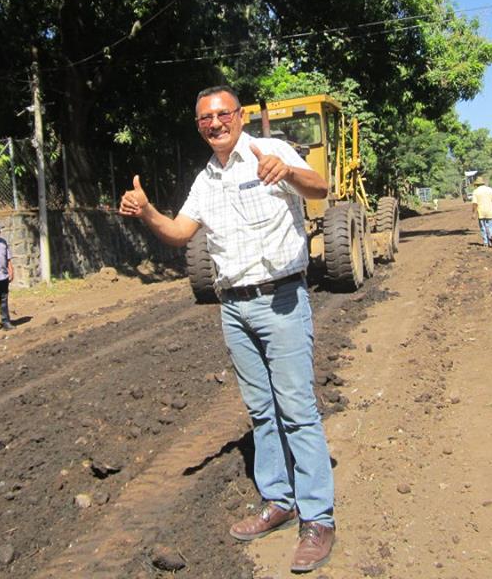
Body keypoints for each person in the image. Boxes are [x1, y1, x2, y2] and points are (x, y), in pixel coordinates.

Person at [119, 85, 336, 573]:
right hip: (233, 307)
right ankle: (279, 502)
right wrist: (148, 211)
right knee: (261, 410)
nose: (215, 123)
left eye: (222, 114)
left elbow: (320, 188)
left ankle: (318, 519)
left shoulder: (270, 150)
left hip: (280, 299)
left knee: (297, 410)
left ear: (238, 116)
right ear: (199, 127)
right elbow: (179, 233)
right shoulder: (206, 181)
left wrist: (291, 173)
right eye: (204, 119)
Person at [471, 176, 492, 247]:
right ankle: (491, 236)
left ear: (477, 184)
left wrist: (474, 213)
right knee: (491, 225)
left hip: (481, 213)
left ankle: (486, 242)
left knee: (483, 227)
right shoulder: (490, 190)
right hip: (490, 212)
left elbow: (475, 204)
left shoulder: (475, 191)